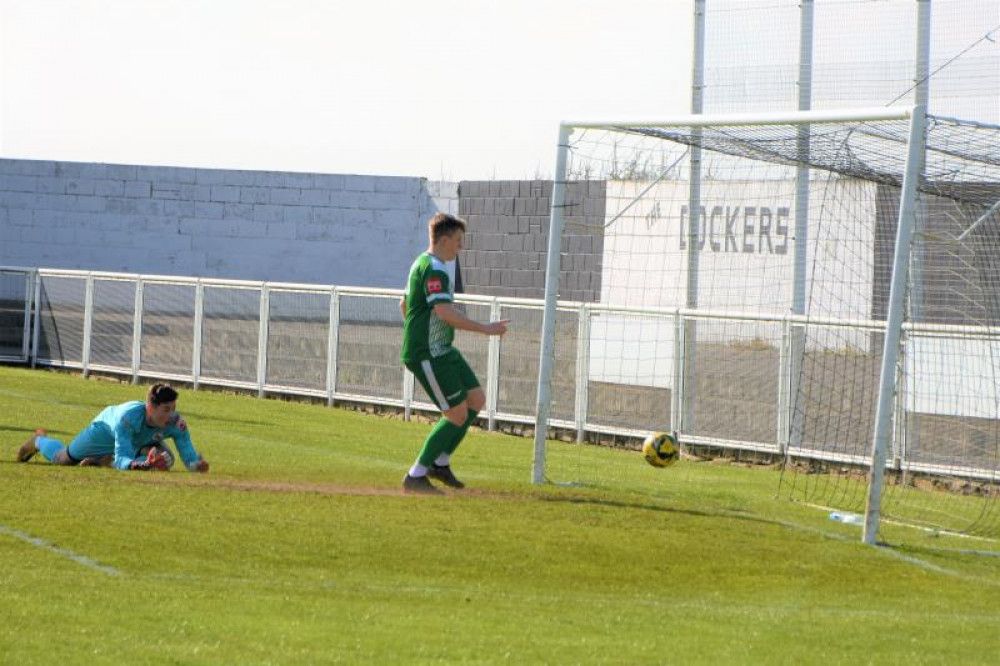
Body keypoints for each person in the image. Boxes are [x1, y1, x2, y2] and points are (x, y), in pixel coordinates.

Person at [400, 212, 509, 494]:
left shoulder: (421, 264)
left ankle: (441, 463)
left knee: (475, 399)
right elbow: (444, 311)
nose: (461, 247)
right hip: (429, 352)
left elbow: (404, 304)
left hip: (441, 348)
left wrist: (418, 328)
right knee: (456, 414)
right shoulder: (434, 268)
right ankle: (416, 475)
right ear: (445, 240)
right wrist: (486, 329)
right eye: (458, 241)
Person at [16, 383, 210, 472]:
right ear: (150, 407)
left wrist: (196, 465)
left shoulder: (175, 423)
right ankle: (39, 440)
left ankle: (102, 462)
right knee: (63, 460)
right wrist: (138, 464)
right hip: (104, 433)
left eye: (173, 409)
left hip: (138, 441)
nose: (171, 416)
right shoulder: (127, 419)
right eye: (166, 410)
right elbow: (124, 454)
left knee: (165, 461)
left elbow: (186, 448)